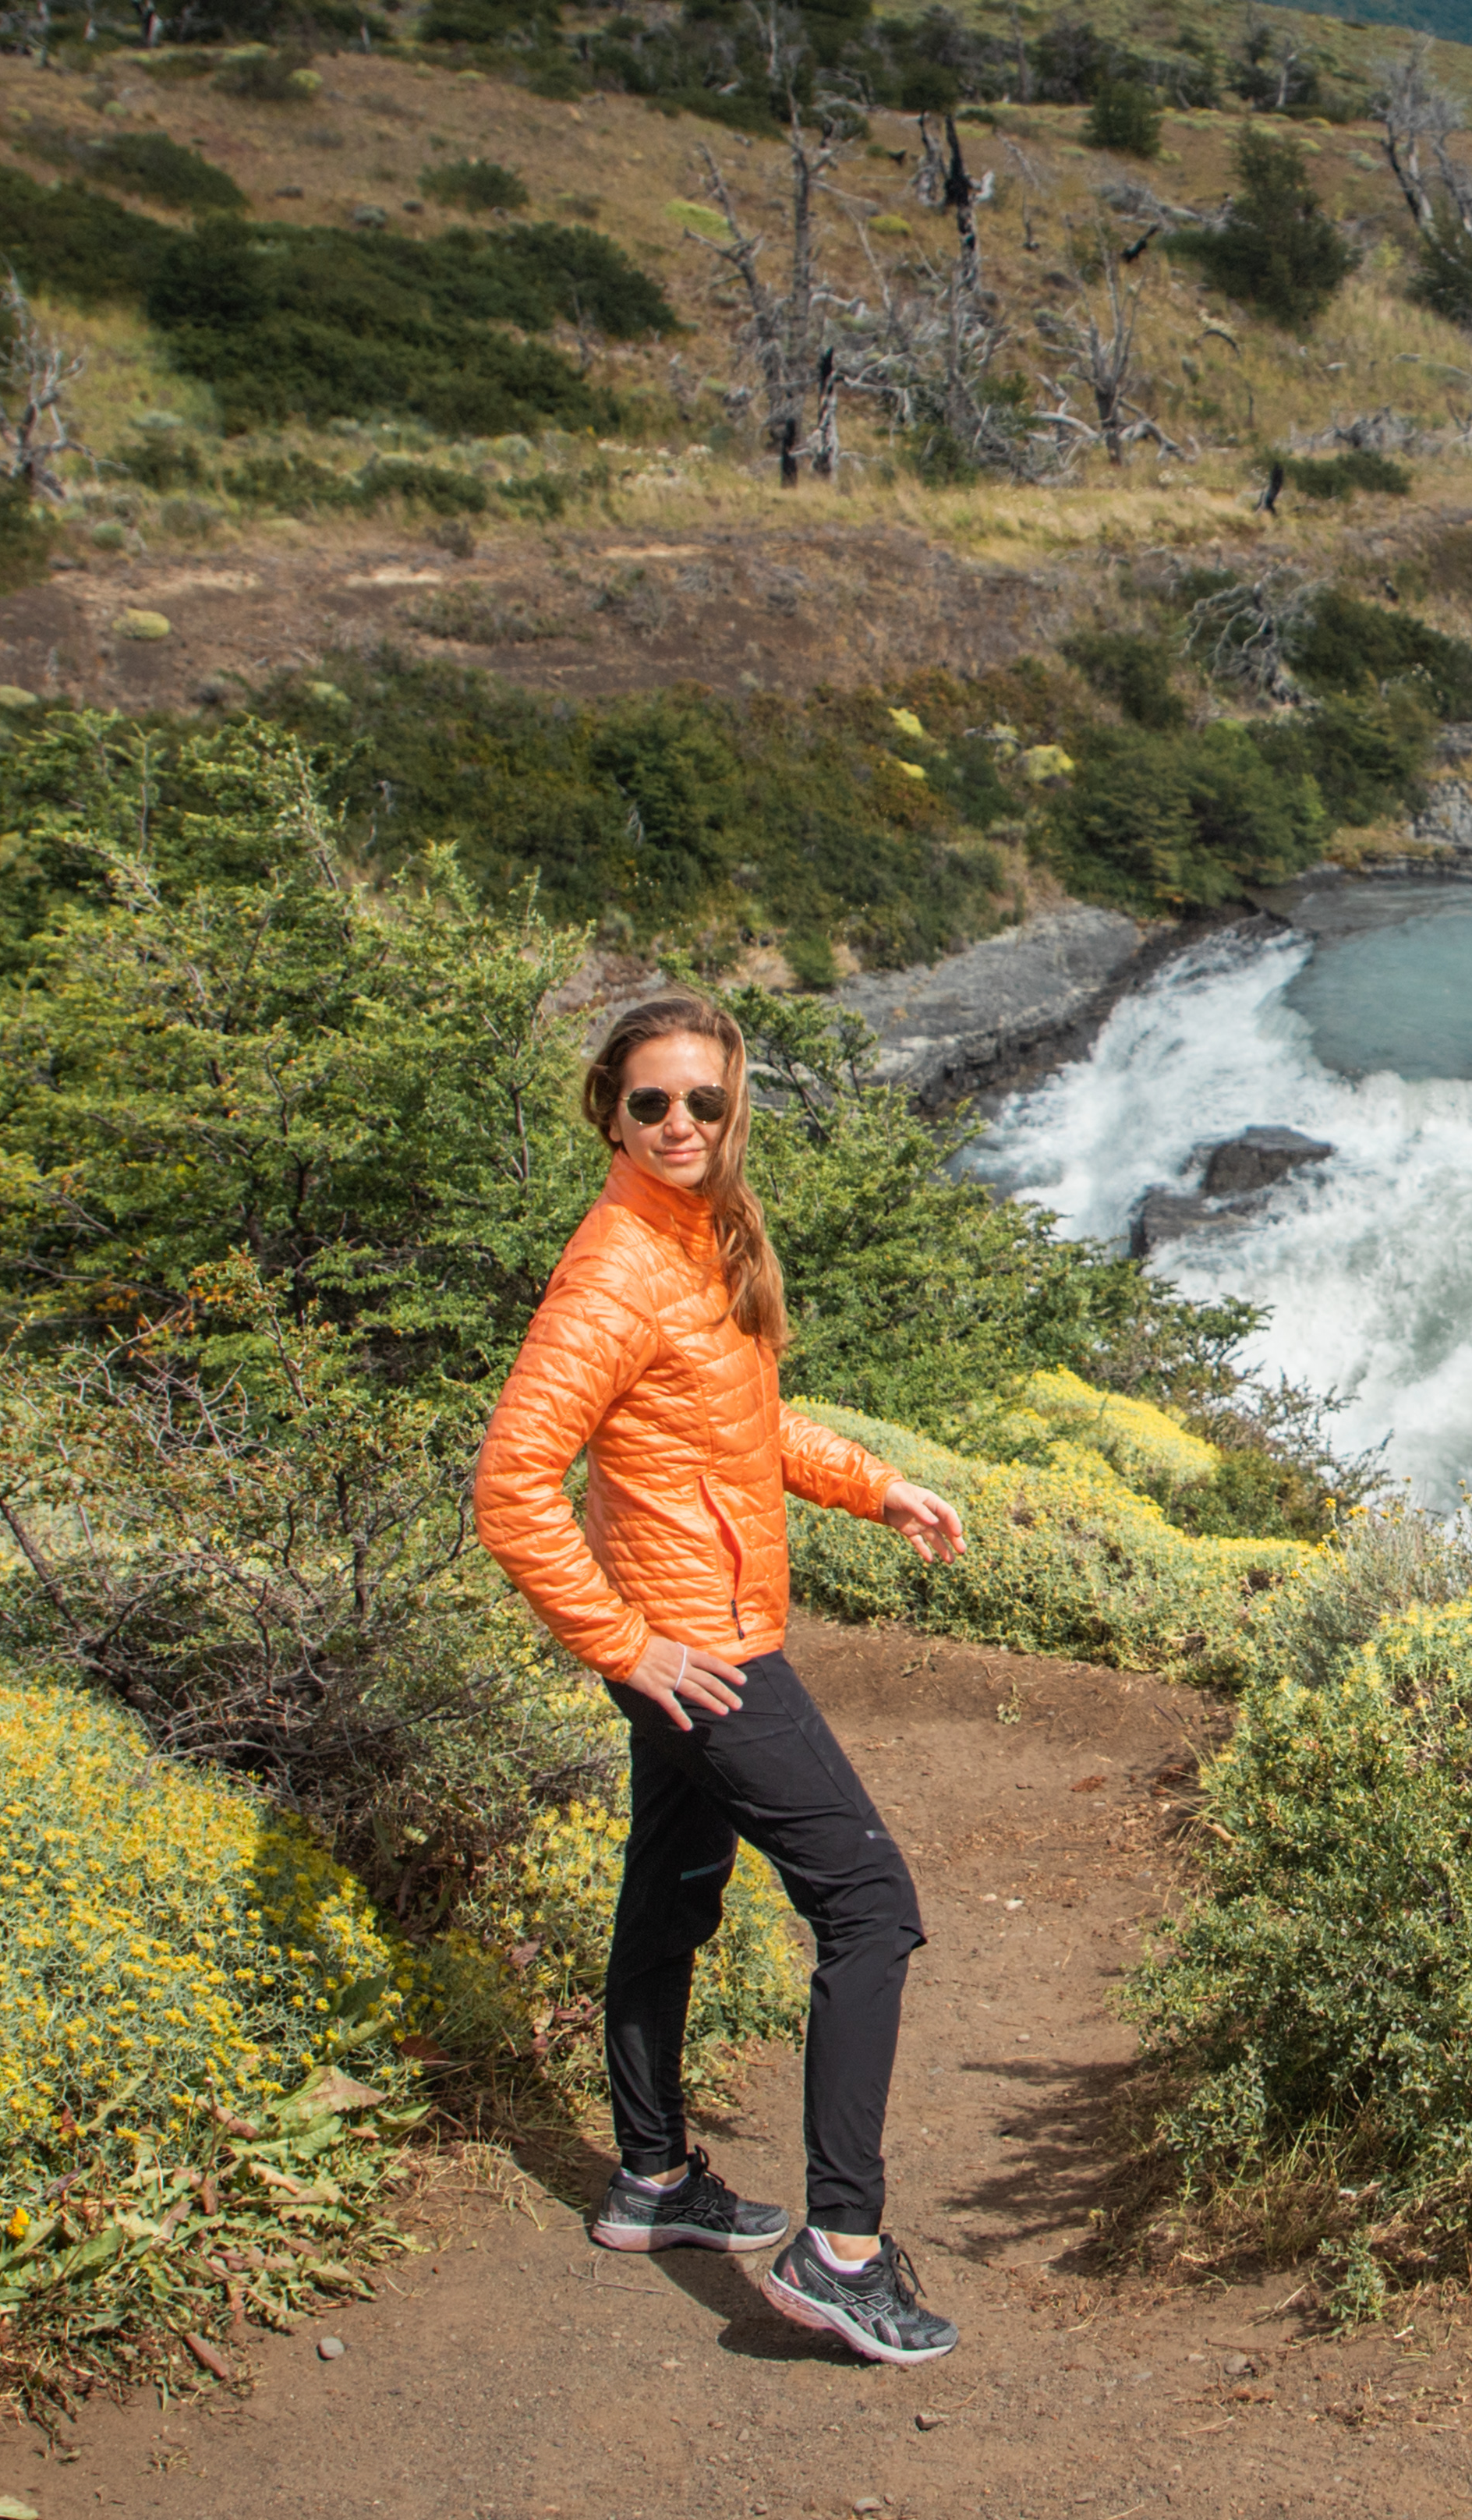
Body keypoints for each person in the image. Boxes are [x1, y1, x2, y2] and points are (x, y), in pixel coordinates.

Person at [473, 989, 971, 2367]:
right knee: (871, 1906)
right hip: (699, 1650)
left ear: (734, 1105)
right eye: (651, 1101)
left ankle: (651, 2178)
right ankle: (840, 2251)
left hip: (695, 1637)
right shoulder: (618, 1268)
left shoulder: (714, 1232)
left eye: (704, 1099)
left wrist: (878, 1488)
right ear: (608, 1110)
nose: (680, 1122)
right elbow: (512, 1487)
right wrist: (630, 1647)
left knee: (673, 1885)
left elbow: (743, 1426)